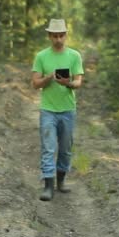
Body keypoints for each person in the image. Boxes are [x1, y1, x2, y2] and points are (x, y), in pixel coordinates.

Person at [31, 19, 84, 201]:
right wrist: (48, 78)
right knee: (48, 147)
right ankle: (48, 186)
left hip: (68, 109)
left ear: (65, 35)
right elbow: (35, 83)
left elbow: (78, 82)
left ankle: (61, 181)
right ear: (49, 36)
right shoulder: (41, 56)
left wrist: (67, 83)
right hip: (48, 110)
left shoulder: (74, 56)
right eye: (55, 36)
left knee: (65, 149)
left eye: (61, 35)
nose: (58, 39)